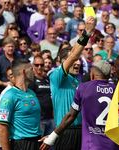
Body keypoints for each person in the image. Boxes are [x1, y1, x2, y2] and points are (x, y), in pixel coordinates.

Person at [38, 16, 96, 150]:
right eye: (74, 60)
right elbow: (74, 55)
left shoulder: (77, 80)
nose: (77, 62)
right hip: (65, 132)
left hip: (81, 131)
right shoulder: (57, 76)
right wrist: (86, 33)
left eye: (79, 60)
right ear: (64, 61)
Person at [39, 60, 119, 150]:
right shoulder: (118, 90)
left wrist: (52, 136)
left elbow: (71, 115)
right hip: (112, 143)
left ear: (92, 74)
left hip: (91, 143)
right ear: (109, 75)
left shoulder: (84, 88)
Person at [0, 58, 42, 150]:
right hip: (21, 144)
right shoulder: (9, 95)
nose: (34, 72)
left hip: (37, 142)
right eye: (31, 69)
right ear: (24, 72)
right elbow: (1, 127)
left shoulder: (32, 93)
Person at [29, 56, 55, 137]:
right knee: (40, 145)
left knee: (50, 145)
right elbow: (31, 102)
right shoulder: (31, 81)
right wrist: (37, 119)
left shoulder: (47, 80)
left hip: (50, 119)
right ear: (33, 65)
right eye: (37, 65)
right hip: (40, 120)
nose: (39, 67)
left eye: (41, 65)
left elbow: (51, 99)